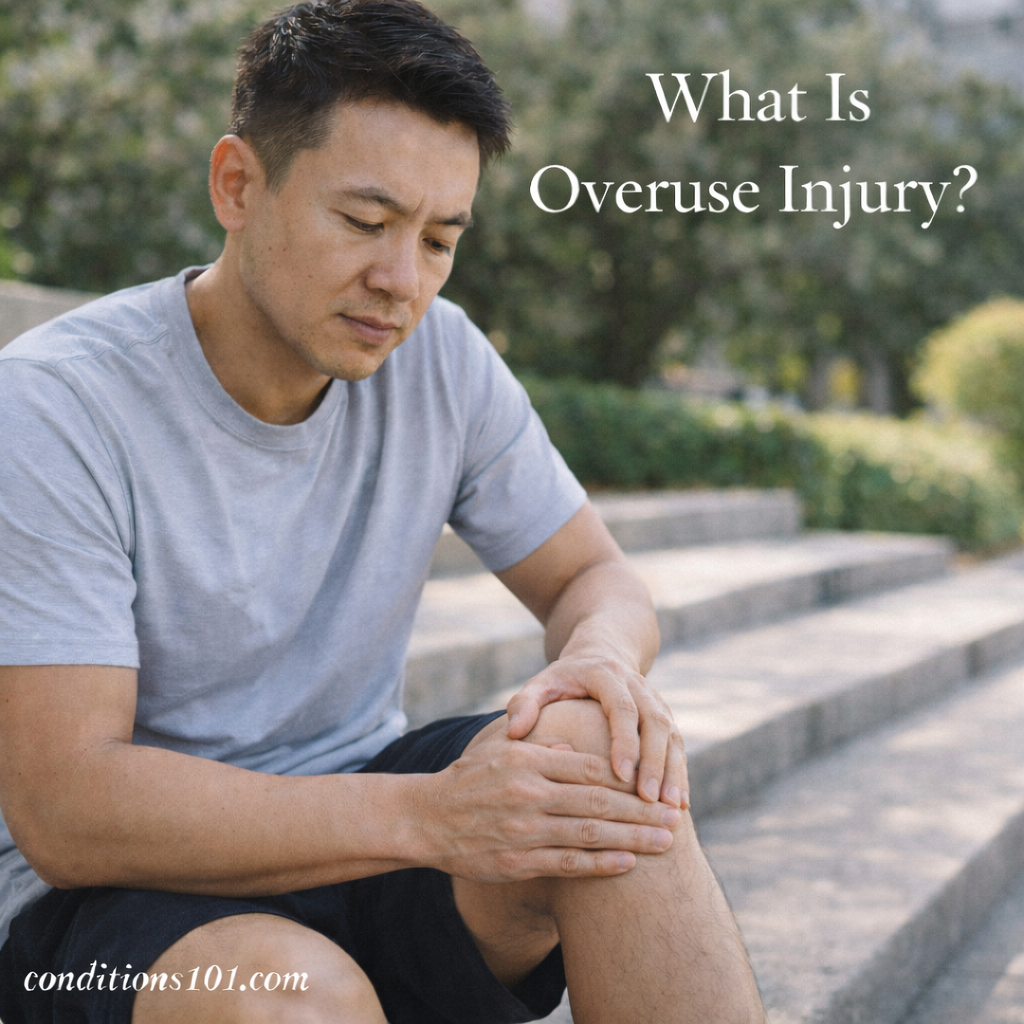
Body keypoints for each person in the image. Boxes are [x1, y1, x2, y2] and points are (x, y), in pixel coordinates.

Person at [0, 1, 767, 1021]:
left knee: (596, 757)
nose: (401, 281)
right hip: (99, 914)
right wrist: (428, 815)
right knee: (295, 1000)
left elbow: (596, 578)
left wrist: (601, 664)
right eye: (364, 222)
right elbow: (68, 810)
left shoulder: (439, 358)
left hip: (367, 832)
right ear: (238, 184)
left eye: (439, 239)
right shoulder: (56, 405)